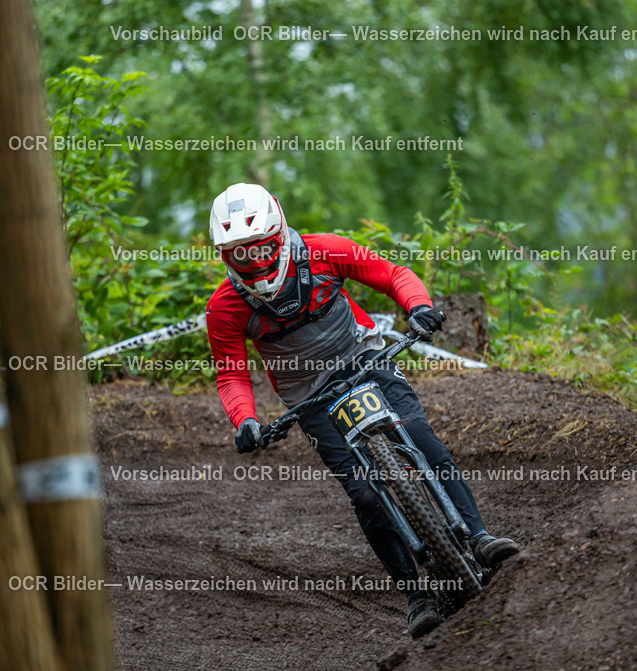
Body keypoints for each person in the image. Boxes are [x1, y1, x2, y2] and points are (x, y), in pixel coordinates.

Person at [205, 183, 519, 638]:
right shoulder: (225, 309)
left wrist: (420, 307)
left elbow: (393, 274)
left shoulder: (325, 252)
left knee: (422, 439)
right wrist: (246, 421)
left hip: (365, 357)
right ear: (224, 256)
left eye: (262, 249)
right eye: (240, 256)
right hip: (308, 396)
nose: (254, 262)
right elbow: (231, 374)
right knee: (364, 493)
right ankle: (416, 597)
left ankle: (478, 537)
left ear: (280, 234)